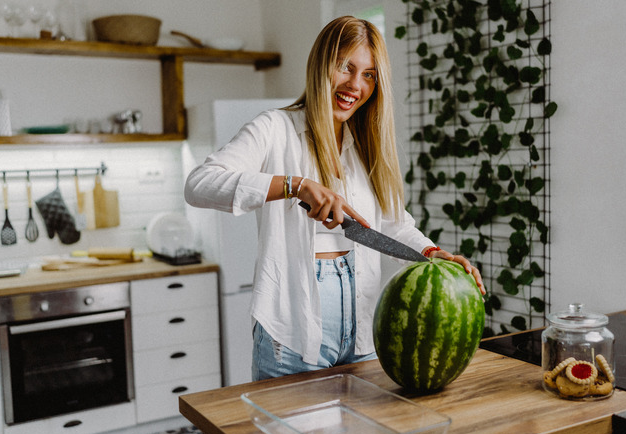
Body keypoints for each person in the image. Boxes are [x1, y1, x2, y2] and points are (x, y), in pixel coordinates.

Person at [185, 16, 486, 381]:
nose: (355, 85)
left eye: (370, 75)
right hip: (293, 333)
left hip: (361, 331)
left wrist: (431, 253)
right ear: (321, 64)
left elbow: (392, 224)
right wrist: (296, 185)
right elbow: (200, 184)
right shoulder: (274, 128)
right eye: (346, 67)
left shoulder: (362, 146)